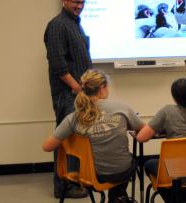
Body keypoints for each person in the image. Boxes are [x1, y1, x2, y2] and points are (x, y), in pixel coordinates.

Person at [42, 69, 144, 203]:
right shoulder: (122, 108)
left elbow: (47, 147)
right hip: (119, 172)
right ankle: (118, 197)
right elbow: (143, 130)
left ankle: (117, 197)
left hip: (88, 174)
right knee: (129, 162)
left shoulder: (73, 118)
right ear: (102, 88)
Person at [44, 0, 93, 198]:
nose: (79, 6)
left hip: (79, 95)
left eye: (82, 2)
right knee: (66, 140)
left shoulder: (75, 23)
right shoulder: (57, 25)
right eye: (75, 2)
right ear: (64, 1)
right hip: (68, 95)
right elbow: (58, 65)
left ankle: (75, 181)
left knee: (76, 138)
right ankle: (64, 186)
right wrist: (77, 88)